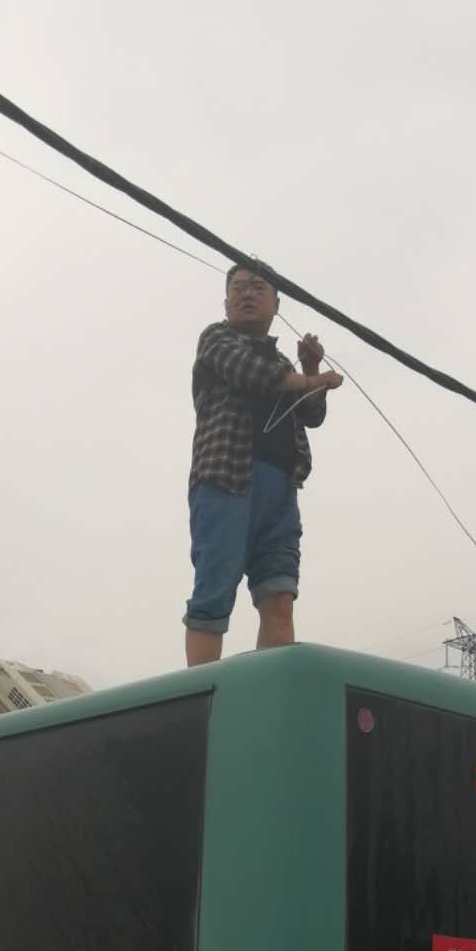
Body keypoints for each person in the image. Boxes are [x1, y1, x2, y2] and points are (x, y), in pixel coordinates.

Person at [184, 262, 342, 666]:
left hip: (280, 490)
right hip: (224, 482)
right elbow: (253, 375)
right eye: (237, 288)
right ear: (225, 302)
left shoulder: (283, 363)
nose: (246, 294)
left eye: (258, 287)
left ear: (276, 303)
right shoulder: (216, 338)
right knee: (213, 597)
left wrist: (309, 369)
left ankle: (268, 693)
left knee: (280, 598)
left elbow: (312, 415)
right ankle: (202, 697)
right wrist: (313, 379)